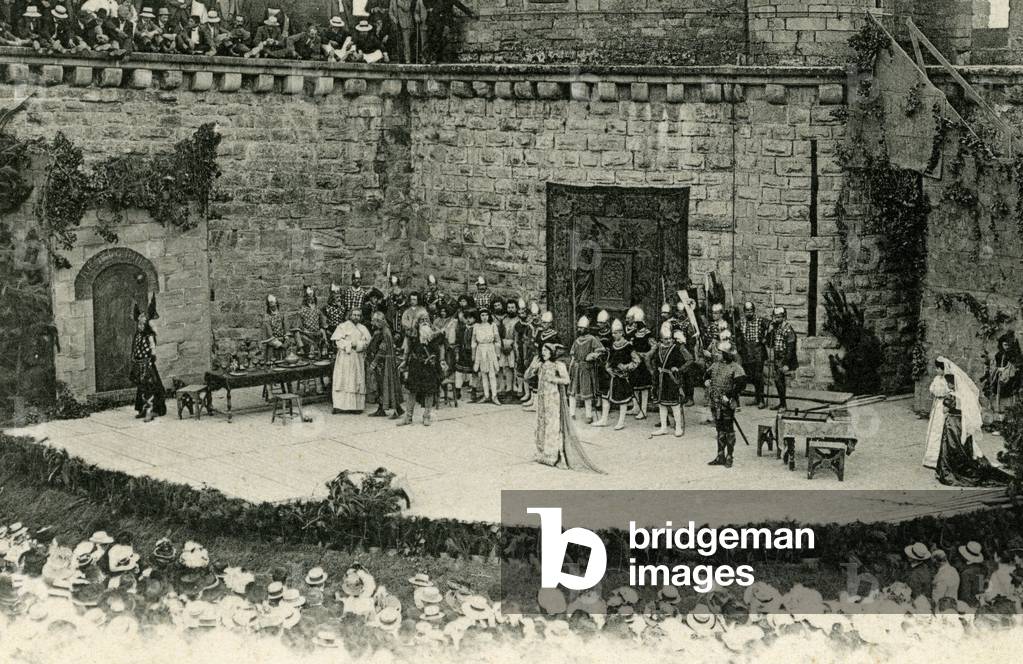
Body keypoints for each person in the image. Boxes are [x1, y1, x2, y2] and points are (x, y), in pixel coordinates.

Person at [927, 357, 1012, 487]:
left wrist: (946, 405)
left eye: (949, 384)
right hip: (961, 423)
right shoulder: (962, 397)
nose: (948, 386)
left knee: (950, 445)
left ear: (951, 384)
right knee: (962, 444)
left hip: (951, 424)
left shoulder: (951, 397)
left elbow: (945, 410)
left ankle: (949, 467)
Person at [527, 343, 603, 473]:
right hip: (541, 400)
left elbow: (566, 380)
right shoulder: (540, 365)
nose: (543, 352)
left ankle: (553, 455)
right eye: (542, 350)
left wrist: (553, 379)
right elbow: (527, 377)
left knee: (553, 425)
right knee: (541, 425)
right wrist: (532, 367)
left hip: (553, 399)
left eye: (546, 350)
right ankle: (542, 452)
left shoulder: (558, 365)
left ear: (552, 352)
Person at [398, 314, 443, 426]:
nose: (424, 322)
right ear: (417, 322)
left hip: (429, 366)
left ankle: (426, 416)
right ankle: (408, 417)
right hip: (415, 366)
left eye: (426, 320)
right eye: (421, 320)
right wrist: (404, 361)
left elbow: (441, 349)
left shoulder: (436, 335)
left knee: (429, 392)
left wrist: (440, 360)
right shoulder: (413, 335)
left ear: (430, 321)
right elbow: (407, 349)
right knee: (412, 391)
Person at [705, 341, 745, 467]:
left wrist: (729, 395)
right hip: (715, 402)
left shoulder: (736, 368)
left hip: (727, 403)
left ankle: (730, 456)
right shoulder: (715, 365)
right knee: (719, 429)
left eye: (720, 353)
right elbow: (706, 375)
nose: (718, 355)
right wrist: (706, 380)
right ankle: (720, 455)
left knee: (728, 429)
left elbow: (741, 385)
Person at [596, 319, 639, 431]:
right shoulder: (613, 345)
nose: (614, 335)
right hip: (610, 376)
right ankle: (604, 419)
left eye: (616, 333)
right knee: (605, 397)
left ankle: (621, 421)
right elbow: (610, 359)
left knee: (622, 399)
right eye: (613, 333)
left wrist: (625, 367)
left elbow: (636, 361)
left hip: (621, 377)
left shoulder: (628, 346)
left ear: (621, 333)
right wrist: (608, 367)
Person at [130, 295, 166, 421]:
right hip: (139, 363)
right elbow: (135, 346)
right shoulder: (138, 334)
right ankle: (143, 409)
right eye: (139, 319)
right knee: (141, 388)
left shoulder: (149, 333)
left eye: (143, 319)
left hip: (147, 363)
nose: (140, 322)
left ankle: (151, 411)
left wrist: (151, 359)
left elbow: (152, 346)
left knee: (150, 387)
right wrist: (134, 358)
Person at [651, 323, 691, 438]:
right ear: (661, 339)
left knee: (675, 404)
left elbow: (689, 360)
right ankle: (663, 427)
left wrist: (679, 369)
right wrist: (655, 370)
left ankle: (678, 427)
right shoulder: (658, 348)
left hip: (672, 379)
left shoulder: (677, 348)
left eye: (669, 338)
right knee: (662, 404)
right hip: (660, 379)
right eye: (665, 339)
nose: (668, 341)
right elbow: (652, 360)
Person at [330, 308, 371, 413]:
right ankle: (339, 406)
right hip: (345, 357)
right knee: (343, 379)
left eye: (358, 315)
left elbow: (367, 342)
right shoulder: (343, 326)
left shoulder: (363, 328)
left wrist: (357, 344)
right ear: (350, 315)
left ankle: (356, 407)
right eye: (354, 315)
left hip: (357, 357)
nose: (356, 317)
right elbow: (337, 341)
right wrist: (348, 345)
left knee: (355, 379)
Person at [367, 311, 403, 419]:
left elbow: (382, 349)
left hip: (384, 363)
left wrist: (374, 362)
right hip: (381, 363)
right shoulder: (380, 331)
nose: (373, 323)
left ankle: (398, 410)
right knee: (380, 386)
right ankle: (381, 409)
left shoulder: (385, 332)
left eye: (375, 321)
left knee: (387, 385)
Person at [567, 316, 603, 423]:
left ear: (587, 329)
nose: (579, 330)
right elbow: (573, 355)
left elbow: (601, 350)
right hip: (576, 368)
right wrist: (571, 367)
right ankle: (571, 413)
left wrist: (593, 355)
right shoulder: (577, 340)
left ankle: (589, 415)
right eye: (579, 328)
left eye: (582, 328)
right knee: (572, 392)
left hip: (586, 369)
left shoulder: (592, 339)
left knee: (587, 392)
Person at [736, 301, 769, 409]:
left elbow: (772, 325)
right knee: (751, 376)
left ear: (753, 311)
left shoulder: (760, 321)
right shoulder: (741, 322)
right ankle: (757, 397)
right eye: (746, 311)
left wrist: (766, 338)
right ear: (744, 312)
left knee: (758, 376)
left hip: (758, 352)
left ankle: (762, 400)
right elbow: (735, 331)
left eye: (750, 311)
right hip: (747, 353)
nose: (749, 313)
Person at [982, 331, 1021, 422]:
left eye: (1008, 345)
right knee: (998, 397)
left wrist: (1007, 371)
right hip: (999, 379)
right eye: (1004, 345)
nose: (1006, 347)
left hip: (1010, 381)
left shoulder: (1013, 355)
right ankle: (998, 420)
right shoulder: (999, 355)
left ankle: (1009, 420)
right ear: (1001, 344)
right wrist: (996, 369)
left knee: (1008, 398)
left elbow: (1015, 367)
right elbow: (994, 365)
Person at [765, 306, 797, 410]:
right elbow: (769, 344)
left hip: (784, 358)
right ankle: (782, 403)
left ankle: (783, 404)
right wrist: (769, 331)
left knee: (779, 380)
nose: (777, 319)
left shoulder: (788, 329)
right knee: (778, 381)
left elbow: (791, 348)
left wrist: (787, 363)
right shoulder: (775, 328)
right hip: (777, 357)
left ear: (784, 317)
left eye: (779, 317)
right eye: (775, 317)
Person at [624, 306, 652, 420]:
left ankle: (643, 410)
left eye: (636, 322)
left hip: (644, 363)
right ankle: (636, 407)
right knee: (634, 385)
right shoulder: (633, 333)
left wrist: (647, 354)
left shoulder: (647, 333)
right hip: (635, 362)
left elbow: (654, 346)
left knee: (644, 387)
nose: (634, 324)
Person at [472, 307, 501, 406]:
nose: (484, 317)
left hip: (490, 349)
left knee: (492, 374)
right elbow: (473, 341)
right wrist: (473, 354)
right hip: (480, 350)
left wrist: (497, 354)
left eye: (486, 315)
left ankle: (494, 396)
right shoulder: (476, 326)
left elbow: (497, 341)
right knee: (483, 373)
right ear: (479, 316)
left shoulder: (493, 325)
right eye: (482, 315)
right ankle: (486, 395)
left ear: (489, 316)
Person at [453, 306, 477, 402]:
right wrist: (457, 352)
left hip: (472, 352)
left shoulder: (476, 328)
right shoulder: (461, 329)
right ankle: (458, 389)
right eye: (466, 318)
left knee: (473, 372)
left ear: (475, 319)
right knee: (459, 372)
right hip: (463, 353)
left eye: (470, 318)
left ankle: (473, 390)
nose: (468, 320)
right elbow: (458, 341)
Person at [293, 286, 325, 357]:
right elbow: (296, 328)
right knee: (298, 335)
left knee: (324, 337)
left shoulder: (318, 310)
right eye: (308, 297)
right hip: (306, 335)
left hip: (317, 334)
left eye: (312, 297)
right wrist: (304, 331)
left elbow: (322, 324)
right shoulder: (301, 311)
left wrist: (322, 331)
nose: (310, 299)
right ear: (305, 298)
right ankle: (304, 350)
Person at [513, 299, 535, 403]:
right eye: (520, 313)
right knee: (520, 368)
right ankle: (522, 390)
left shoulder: (531, 325)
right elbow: (516, 338)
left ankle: (532, 393)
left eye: (523, 313)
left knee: (530, 370)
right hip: (521, 348)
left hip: (531, 349)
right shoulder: (517, 325)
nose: (522, 315)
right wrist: (517, 349)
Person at [498, 299, 518, 397]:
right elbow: (500, 334)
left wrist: (512, 345)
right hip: (504, 344)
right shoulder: (504, 320)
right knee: (503, 366)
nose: (510, 310)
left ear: (516, 308)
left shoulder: (518, 320)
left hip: (514, 345)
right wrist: (502, 345)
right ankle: (504, 388)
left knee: (513, 366)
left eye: (512, 308)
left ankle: (513, 388)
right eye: (509, 308)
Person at [957, 541, 987, 606]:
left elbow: (964, 596)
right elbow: (980, 590)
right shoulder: (981, 570)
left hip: (967, 606)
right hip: (977, 603)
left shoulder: (966, 573)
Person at [261, 294, 287, 363]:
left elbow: (286, 327)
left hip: (282, 338)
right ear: (269, 306)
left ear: (276, 304)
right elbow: (269, 334)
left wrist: (286, 336)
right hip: (272, 340)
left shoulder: (281, 314)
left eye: (274, 305)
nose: (273, 307)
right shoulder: (267, 317)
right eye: (271, 305)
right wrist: (279, 343)